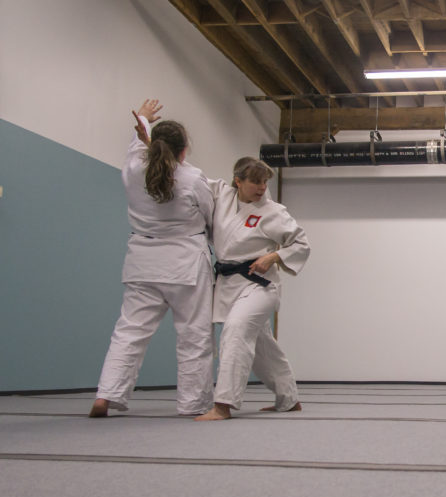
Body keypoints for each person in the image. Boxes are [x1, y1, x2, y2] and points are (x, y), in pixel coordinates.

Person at [90, 100, 215, 417]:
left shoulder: (133, 170)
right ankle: (193, 403)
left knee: (129, 332)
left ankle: (107, 394)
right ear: (184, 150)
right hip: (186, 264)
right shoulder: (192, 178)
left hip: (142, 263)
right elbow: (210, 216)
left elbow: (137, 147)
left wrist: (144, 120)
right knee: (193, 336)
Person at [195, 157, 310, 421]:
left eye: (264, 182)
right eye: (255, 182)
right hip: (228, 283)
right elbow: (191, 178)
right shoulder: (222, 195)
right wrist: (149, 146)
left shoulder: (273, 211)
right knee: (261, 347)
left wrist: (274, 257)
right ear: (238, 181)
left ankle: (223, 404)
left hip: (260, 286)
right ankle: (289, 398)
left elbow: (301, 244)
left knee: (236, 330)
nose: (261, 187)